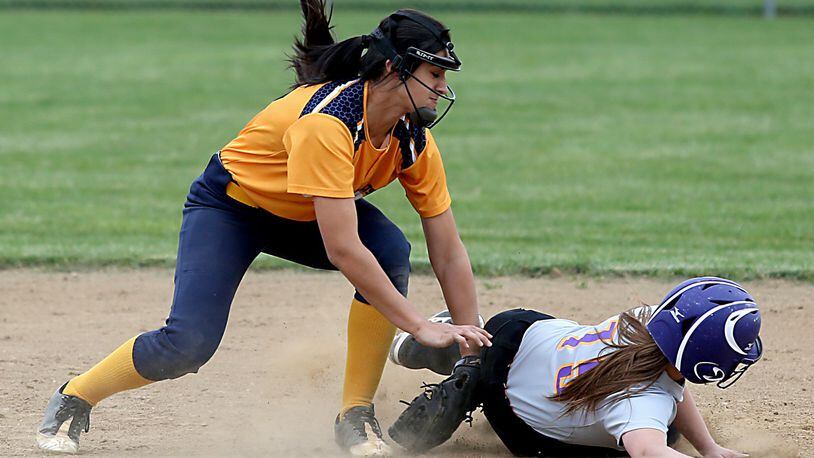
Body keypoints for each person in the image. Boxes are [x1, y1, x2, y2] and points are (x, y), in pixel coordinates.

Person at [35, 1, 492, 455]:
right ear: (395, 68)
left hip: (305, 213)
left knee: (390, 248)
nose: (442, 88)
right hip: (230, 210)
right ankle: (76, 395)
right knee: (187, 345)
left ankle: (355, 415)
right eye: (434, 74)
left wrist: (470, 346)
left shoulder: (412, 139)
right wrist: (417, 326)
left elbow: (448, 251)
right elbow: (344, 251)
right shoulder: (329, 124)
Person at [389, 277, 763, 457]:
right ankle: (473, 373)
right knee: (665, 439)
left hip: (519, 326)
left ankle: (464, 346)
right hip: (512, 413)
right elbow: (648, 449)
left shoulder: (643, 318)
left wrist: (710, 448)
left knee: (664, 427)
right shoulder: (641, 405)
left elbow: (672, 383)